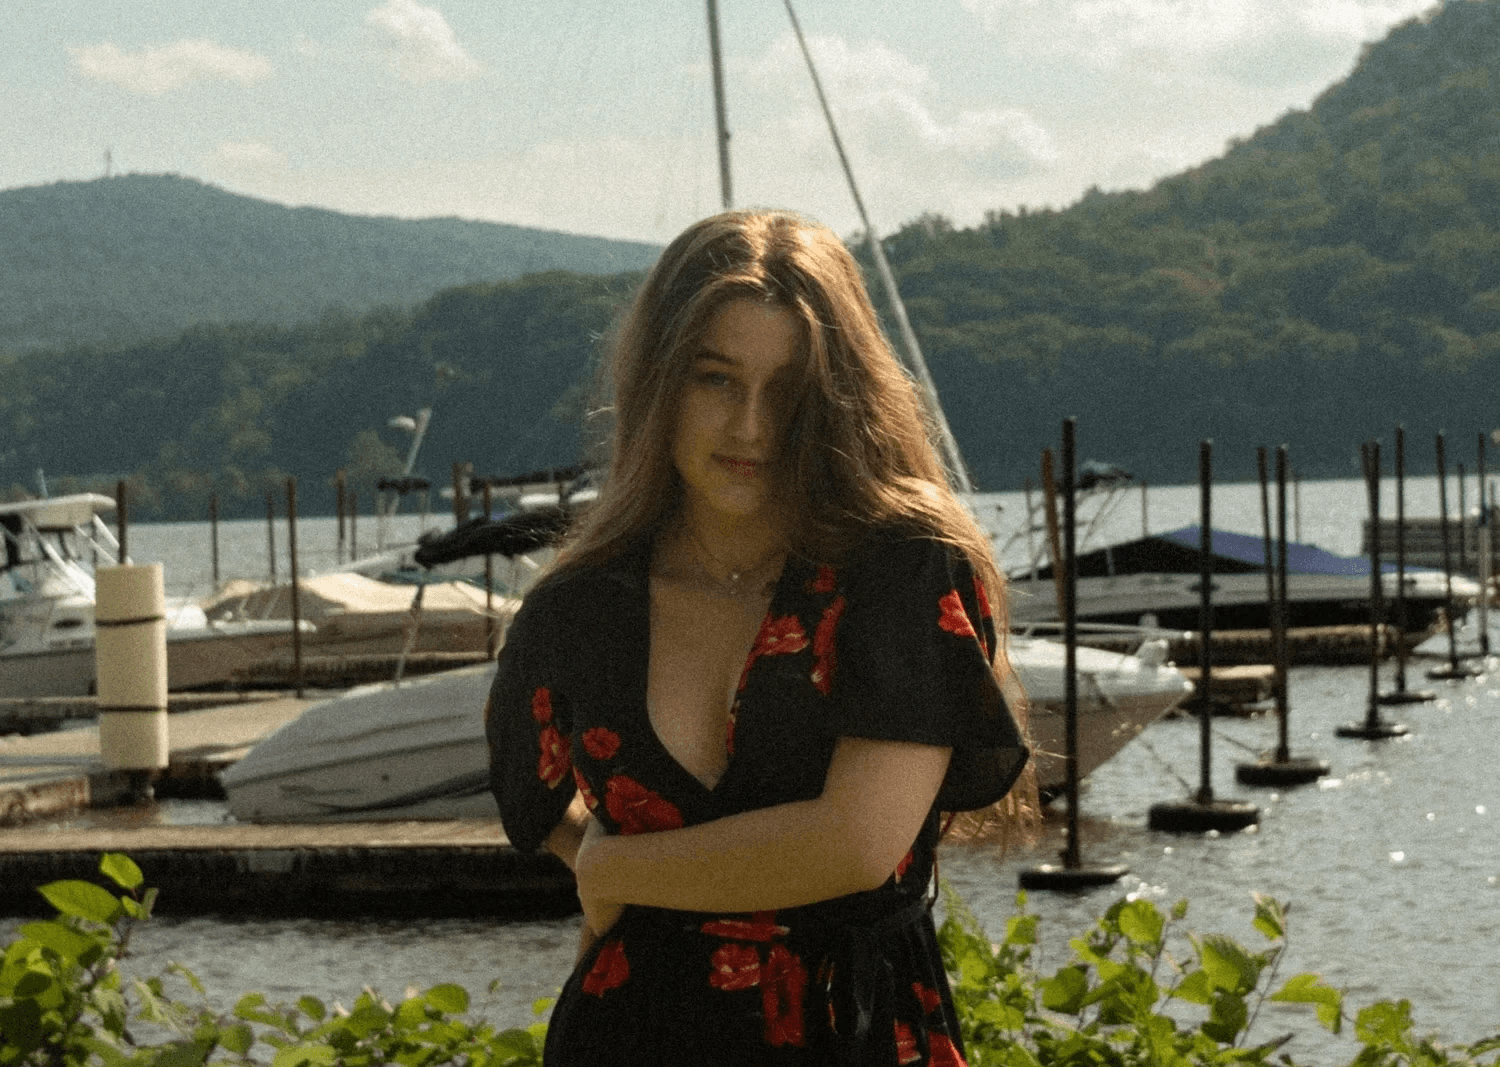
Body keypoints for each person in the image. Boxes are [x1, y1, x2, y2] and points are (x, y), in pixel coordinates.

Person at [485, 208, 1031, 1067]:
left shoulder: (903, 569)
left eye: (788, 389)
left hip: (853, 1034)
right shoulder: (578, 608)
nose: (751, 426)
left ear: (839, 397)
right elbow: (540, 801)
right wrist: (597, 856)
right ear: (659, 384)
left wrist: (620, 871)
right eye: (715, 379)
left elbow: (853, 844)